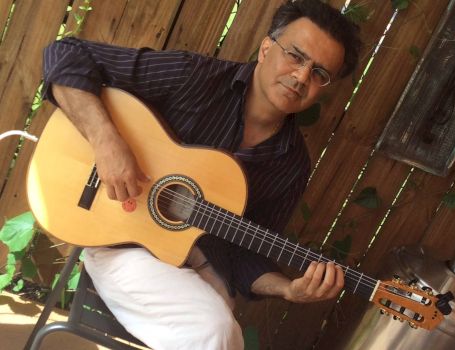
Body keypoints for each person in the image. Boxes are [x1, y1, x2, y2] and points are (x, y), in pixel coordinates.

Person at [42, 0, 360, 348]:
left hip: (194, 267)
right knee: (213, 331)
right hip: (116, 236)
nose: (301, 77)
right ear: (267, 48)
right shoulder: (193, 76)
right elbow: (65, 54)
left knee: (225, 334)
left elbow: (245, 255)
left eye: (319, 73)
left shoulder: (291, 165)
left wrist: (288, 289)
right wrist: (107, 144)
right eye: (295, 56)